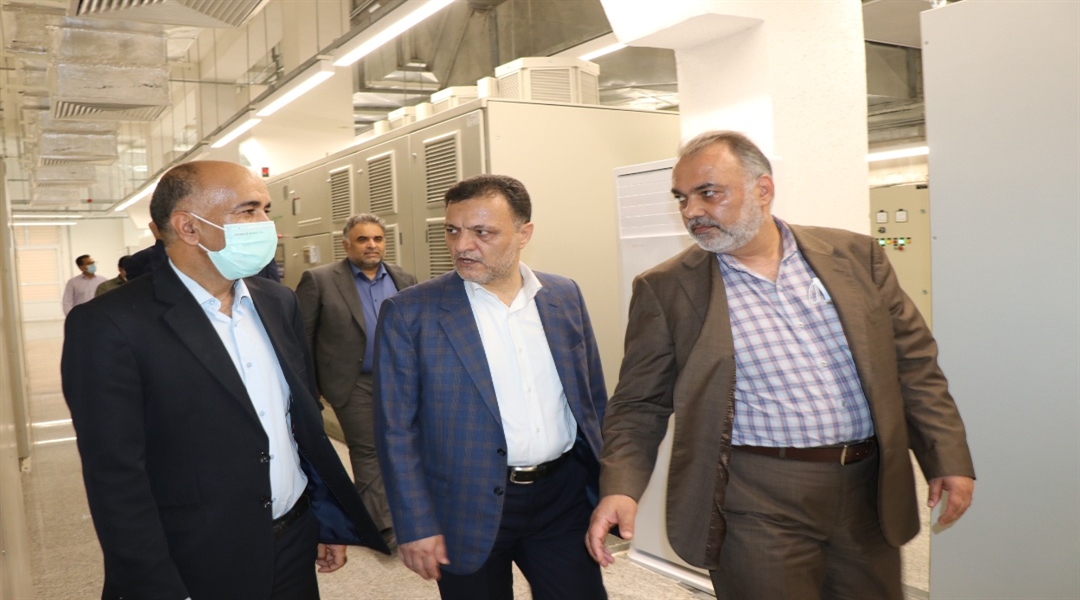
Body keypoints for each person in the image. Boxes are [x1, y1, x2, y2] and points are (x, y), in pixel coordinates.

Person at [587, 131, 976, 599]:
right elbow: (639, 404)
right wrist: (621, 487)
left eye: (708, 193)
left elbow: (913, 365)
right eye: (682, 198)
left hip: (868, 486)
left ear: (763, 189)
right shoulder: (668, 288)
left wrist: (945, 455)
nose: (691, 211)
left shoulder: (855, 257)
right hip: (755, 496)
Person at [61, 160, 389, 600]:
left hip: (294, 541)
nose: (266, 225)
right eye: (249, 210)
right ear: (189, 227)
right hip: (195, 558)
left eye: (266, 210)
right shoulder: (110, 325)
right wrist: (155, 586)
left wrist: (320, 518)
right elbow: (115, 477)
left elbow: (297, 423)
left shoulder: (277, 302)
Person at [374, 174, 608, 600]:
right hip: (465, 502)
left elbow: (593, 399)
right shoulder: (410, 313)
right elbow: (396, 431)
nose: (462, 245)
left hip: (563, 497)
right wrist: (415, 523)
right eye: (453, 230)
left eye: (482, 232)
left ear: (524, 234)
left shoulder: (563, 296)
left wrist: (607, 487)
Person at [296, 213, 417, 546]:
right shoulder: (320, 279)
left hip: (397, 380)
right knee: (368, 449)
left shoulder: (404, 278)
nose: (371, 245)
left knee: (399, 446)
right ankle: (381, 525)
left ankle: (397, 510)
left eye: (378, 239)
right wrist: (309, 387)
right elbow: (302, 337)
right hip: (351, 381)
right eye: (363, 239)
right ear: (347, 244)